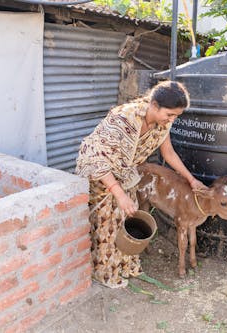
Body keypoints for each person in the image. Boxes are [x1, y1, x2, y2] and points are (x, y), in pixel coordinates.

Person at [75, 80, 206, 288]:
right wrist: (119, 193)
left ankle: (124, 266)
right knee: (106, 226)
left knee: (126, 222)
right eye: (169, 115)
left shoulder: (162, 124)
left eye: (176, 116)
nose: (171, 120)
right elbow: (95, 159)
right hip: (100, 175)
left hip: (125, 175)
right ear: (154, 105)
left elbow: (169, 153)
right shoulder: (123, 118)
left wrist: (191, 179)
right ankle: (105, 273)